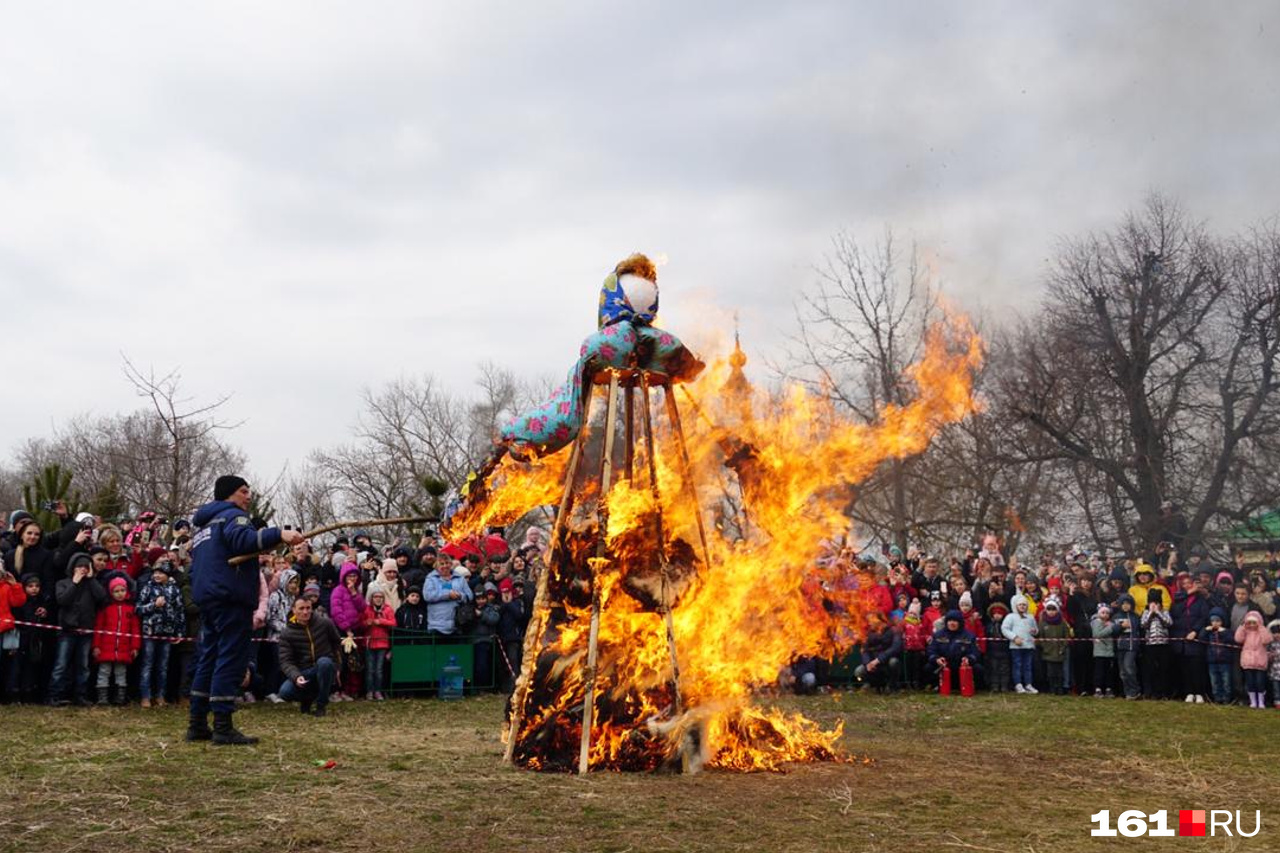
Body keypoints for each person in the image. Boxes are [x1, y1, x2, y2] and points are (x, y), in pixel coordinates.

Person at [186, 475, 303, 745]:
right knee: (229, 659)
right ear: (229, 495)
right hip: (230, 599)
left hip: (209, 598)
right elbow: (243, 540)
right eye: (243, 492)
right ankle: (223, 727)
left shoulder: (204, 525)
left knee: (209, 659)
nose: (248, 497)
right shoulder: (233, 516)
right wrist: (280, 534)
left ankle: (197, 723)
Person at [51, 552, 106, 706]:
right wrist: (74, 583)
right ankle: (55, 695)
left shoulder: (92, 584)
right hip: (67, 631)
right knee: (61, 664)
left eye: (86, 567)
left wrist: (91, 578)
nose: (83, 569)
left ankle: (80, 695)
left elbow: (102, 598)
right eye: (80, 566)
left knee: (83, 666)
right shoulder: (63, 583)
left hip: (86, 631)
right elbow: (62, 600)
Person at [277, 596, 340, 716]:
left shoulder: (325, 623)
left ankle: (321, 705)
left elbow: (336, 644)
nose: (305, 612)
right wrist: (296, 676)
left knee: (325, 663)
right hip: (303, 671)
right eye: (301, 608)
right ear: (294, 610)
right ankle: (307, 699)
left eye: (308, 608)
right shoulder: (287, 633)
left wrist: (337, 667)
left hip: (324, 667)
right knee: (285, 692)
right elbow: (285, 661)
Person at [135, 560, 185, 708]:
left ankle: (160, 696)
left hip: (167, 633)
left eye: (160, 573)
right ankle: (145, 696)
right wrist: (153, 605)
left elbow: (179, 612)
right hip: (150, 632)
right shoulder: (147, 588)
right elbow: (138, 608)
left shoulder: (174, 590)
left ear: (167, 575)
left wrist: (180, 632)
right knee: (147, 665)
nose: (157, 575)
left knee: (163, 666)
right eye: (155, 572)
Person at [92, 577, 141, 705]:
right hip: (105, 647)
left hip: (124, 648)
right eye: (116, 591)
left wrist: (135, 647)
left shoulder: (131, 609)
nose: (120, 593)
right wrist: (96, 646)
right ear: (110, 592)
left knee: (121, 672)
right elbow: (99, 628)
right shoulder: (105, 608)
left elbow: (135, 629)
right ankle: (102, 698)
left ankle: (120, 697)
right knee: (104, 672)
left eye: (122, 590)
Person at [926, 610, 980, 693]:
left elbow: (975, 652)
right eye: (950, 621)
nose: (952, 623)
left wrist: (968, 659)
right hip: (943, 666)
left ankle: (967, 686)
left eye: (955, 621)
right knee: (928, 667)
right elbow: (931, 650)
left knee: (978, 668)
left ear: (960, 623)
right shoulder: (938, 635)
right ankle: (936, 685)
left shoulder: (969, 636)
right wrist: (936, 659)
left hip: (961, 666)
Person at [424, 555, 473, 635]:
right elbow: (427, 595)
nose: (445, 566)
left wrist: (460, 595)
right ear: (437, 566)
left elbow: (469, 596)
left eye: (447, 563)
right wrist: (447, 595)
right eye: (442, 564)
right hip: (437, 626)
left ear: (451, 564)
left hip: (457, 624)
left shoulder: (460, 578)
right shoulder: (430, 579)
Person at [1140, 587, 1173, 699]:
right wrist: (1150, 613)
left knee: (1163, 668)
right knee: (1151, 669)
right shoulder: (1145, 612)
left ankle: (1163, 692)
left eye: (1156, 603)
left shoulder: (1165, 612)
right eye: (1152, 603)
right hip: (1150, 645)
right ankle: (1152, 692)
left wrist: (1158, 613)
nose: (1154, 605)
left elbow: (1169, 623)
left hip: (1163, 644)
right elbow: (1143, 624)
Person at [362, 589, 395, 700]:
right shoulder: (367, 609)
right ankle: (369, 691)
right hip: (369, 642)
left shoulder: (387, 609)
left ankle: (378, 691)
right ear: (372, 599)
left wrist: (381, 621)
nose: (378, 599)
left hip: (382, 642)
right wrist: (367, 623)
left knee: (379, 669)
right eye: (376, 597)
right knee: (370, 669)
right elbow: (361, 623)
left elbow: (393, 623)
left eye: (380, 597)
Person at [1002, 594, 1038, 694]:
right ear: (1016, 606)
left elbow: (1036, 629)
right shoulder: (1011, 617)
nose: (1022, 606)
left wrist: (1034, 631)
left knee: (1028, 665)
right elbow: (1004, 629)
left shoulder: (1030, 617)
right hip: (1016, 646)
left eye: (1024, 604)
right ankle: (1018, 684)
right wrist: (1014, 637)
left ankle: (1028, 684)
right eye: (1020, 605)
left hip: (1029, 646)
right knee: (1017, 665)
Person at [1235, 610, 1270, 709]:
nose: (1251, 625)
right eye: (1249, 622)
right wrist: (1242, 627)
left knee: (1260, 682)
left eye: (1254, 622)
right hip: (1248, 662)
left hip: (1260, 662)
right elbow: (1238, 639)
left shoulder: (1262, 631)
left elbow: (1267, 640)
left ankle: (1261, 701)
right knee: (1250, 683)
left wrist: (1261, 628)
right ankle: (1253, 701)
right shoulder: (1246, 632)